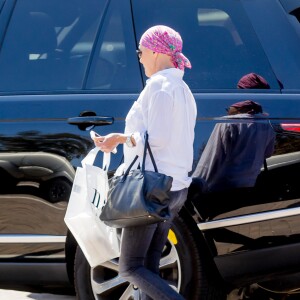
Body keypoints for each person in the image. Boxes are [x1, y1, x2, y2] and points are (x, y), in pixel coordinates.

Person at [92, 25, 197, 300]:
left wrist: (120, 138)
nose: (139, 58)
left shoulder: (160, 86)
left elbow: (158, 138)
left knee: (130, 267)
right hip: (174, 186)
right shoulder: (182, 88)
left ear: (154, 51)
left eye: (140, 51)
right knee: (148, 267)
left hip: (152, 187)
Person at [192, 100, 275, 193]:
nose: (227, 111)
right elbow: (268, 153)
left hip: (220, 188)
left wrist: (195, 184)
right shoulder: (267, 127)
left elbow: (212, 158)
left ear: (241, 109)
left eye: (229, 109)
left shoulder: (228, 122)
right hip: (248, 185)